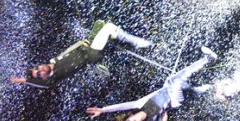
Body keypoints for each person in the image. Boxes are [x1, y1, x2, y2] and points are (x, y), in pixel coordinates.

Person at [86, 46, 217, 121]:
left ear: (130, 116)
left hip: (168, 89)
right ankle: (208, 62)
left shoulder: (139, 105)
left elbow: (121, 106)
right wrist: (163, 116)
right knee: (176, 80)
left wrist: (102, 110)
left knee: (190, 87)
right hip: (174, 101)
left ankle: (209, 80)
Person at [9, 20, 151, 89]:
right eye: (39, 74)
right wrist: (23, 80)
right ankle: (136, 42)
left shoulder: (55, 60)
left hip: (86, 46)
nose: (40, 70)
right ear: (43, 78)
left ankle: (117, 39)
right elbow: (43, 85)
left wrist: (82, 42)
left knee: (100, 23)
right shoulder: (54, 77)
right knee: (108, 28)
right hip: (90, 55)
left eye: (37, 68)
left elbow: (70, 50)